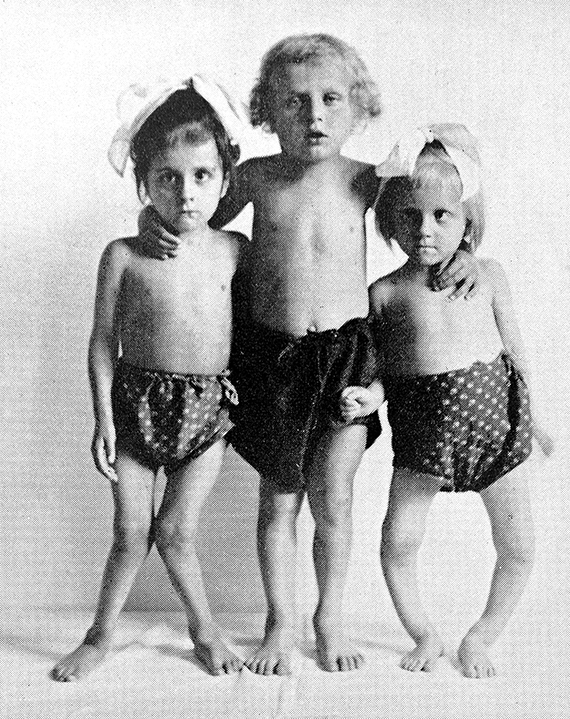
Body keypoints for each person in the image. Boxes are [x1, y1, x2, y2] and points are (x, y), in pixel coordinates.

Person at [139, 35, 478, 675]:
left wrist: (459, 251)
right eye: (295, 103)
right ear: (268, 110)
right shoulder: (255, 178)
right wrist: (150, 219)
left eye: (330, 100)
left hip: (349, 358)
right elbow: (195, 210)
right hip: (271, 359)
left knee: (334, 501)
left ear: (360, 108)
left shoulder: (370, 181)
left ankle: (330, 618)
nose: (314, 116)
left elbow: (437, 208)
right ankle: (282, 621)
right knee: (278, 501)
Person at [52, 75, 248, 681]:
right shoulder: (124, 254)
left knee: (175, 531)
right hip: (135, 404)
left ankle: (204, 627)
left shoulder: (234, 249)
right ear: (144, 184)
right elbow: (100, 343)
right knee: (131, 532)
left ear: (221, 177)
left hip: (208, 412)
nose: (186, 193)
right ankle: (101, 633)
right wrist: (103, 418)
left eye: (201, 176)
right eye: (167, 178)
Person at [340, 124, 554, 678]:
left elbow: (517, 352)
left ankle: (482, 636)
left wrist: (538, 420)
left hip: (496, 431)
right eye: (410, 215)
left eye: (442, 215)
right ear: (391, 218)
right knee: (396, 542)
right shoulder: (383, 294)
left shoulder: (489, 276)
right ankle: (424, 633)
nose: (425, 230)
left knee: (520, 546)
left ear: (468, 221)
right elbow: (389, 367)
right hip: (423, 442)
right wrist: (370, 397)